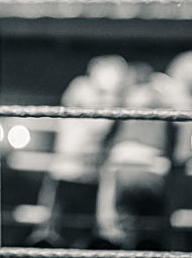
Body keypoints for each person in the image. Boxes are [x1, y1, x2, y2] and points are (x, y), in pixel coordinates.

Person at [94, 51, 192, 250]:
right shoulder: (180, 99)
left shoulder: (144, 89)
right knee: (151, 234)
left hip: (122, 168)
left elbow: (107, 129)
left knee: (116, 232)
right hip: (153, 170)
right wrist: (179, 161)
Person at [29, 55, 130, 248]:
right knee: (52, 228)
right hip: (71, 166)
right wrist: (112, 99)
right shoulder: (82, 89)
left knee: (81, 229)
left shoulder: (86, 90)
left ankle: (100, 235)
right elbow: (99, 127)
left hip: (88, 170)